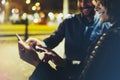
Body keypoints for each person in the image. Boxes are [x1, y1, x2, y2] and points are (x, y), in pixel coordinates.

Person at [18, 0, 112, 80]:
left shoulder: (107, 25)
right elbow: (53, 39)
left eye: (87, 0)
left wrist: (36, 62)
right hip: (67, 69)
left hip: (89, 73)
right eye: (80, 0)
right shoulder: (69, 21)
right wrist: (40, 44)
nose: (83, 4)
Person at [78, 0, 120, 80]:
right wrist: (64, 63)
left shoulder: (111, 36)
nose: (96, 8)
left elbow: (88, 75)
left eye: (101, 3)